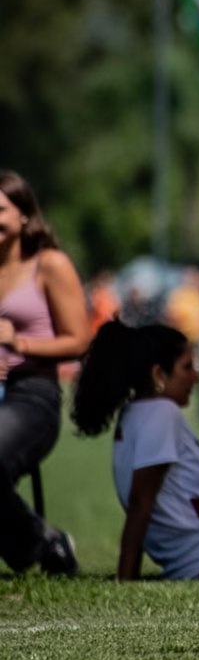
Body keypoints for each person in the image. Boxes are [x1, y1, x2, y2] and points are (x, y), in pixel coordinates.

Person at [72, 320, 199, 579]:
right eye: (187, 367)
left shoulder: (134, 413)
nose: (196, 377)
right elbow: (141, 501)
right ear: (158, 375)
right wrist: (126, 578)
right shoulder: (162, 414)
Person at [0, 170, 89, 576]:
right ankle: (30, 543)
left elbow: (79, 339)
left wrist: (21, 344)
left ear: (23, 215)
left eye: (0, 209)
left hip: (31, 394)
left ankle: (42, 541)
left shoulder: (48, 264)